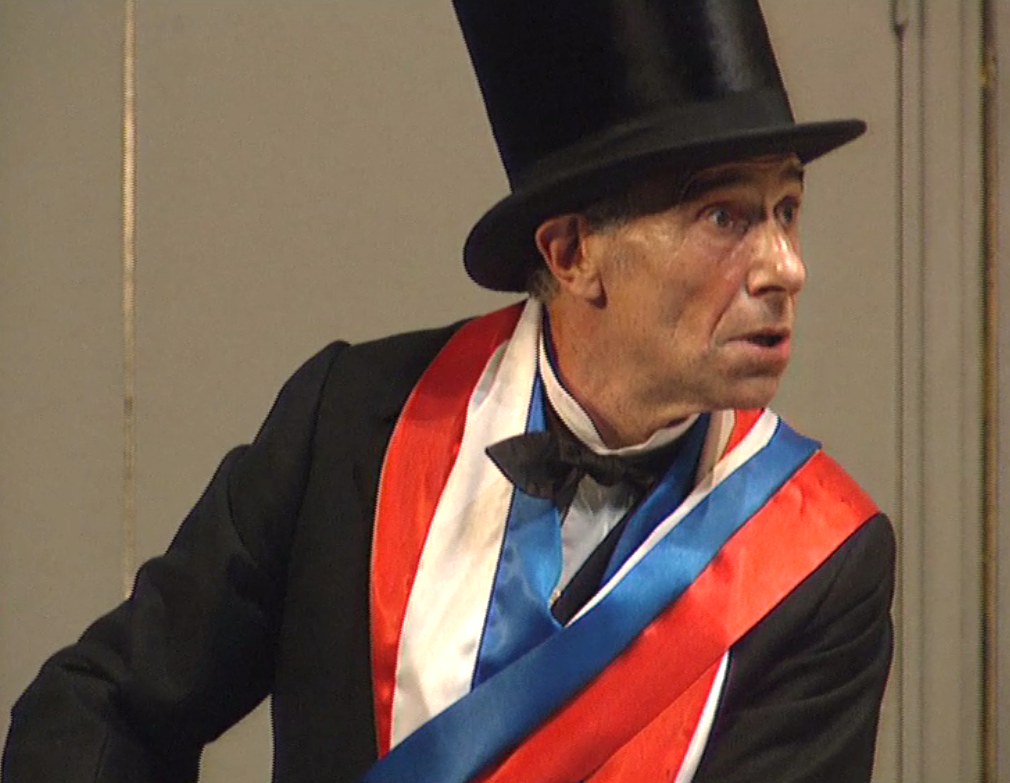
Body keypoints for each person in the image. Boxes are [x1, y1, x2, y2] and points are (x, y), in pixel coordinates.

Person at [2, 1, 894, 781]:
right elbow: (100, 705)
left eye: (786, 209)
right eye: (725, 216)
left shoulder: (820, 563)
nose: (786, 266)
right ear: (572, 253)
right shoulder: (350, 424)